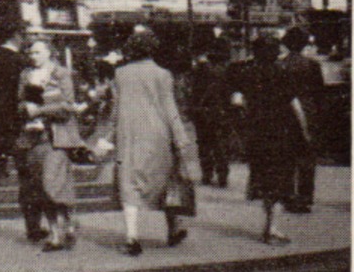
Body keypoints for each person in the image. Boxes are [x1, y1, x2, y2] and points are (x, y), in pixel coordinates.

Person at [95, 30, 200, 256]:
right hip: (158, 137)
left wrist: (106, 139)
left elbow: (115, 111)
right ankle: (173, 228)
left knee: (129, 186)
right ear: (153, 48)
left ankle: (132, 238)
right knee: (167, 183)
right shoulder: (163, 74)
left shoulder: (120, 74)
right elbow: (171, 110)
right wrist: (182, 140)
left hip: (129, 136)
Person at [235, 34, 312, 245]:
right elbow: (294, 104)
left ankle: (269, 223)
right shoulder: (282, 72)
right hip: (282, 131)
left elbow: (238, 101)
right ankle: (272, 227)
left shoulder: (247, 73)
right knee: (281, 178)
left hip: (258, 132)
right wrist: (305, 130)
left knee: (264, 176)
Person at [17, 38, 89, 252]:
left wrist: (40, 111)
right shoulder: (26, 75)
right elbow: (20, 101)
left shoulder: (60, 73)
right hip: (33, 137)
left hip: (56, 138)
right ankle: (56, 234)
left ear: (49, 53)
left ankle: (68, 220)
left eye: (38, 52)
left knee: (53, 184)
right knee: (41, 186)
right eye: (31, 52)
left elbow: (68, 106)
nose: (33, 56)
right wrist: (25, 109)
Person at [0, 26, 36, 240]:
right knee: (27, 177)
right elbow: (33, 96)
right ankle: (32, 226)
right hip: (20, 126)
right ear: (17, 35)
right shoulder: (23, 63)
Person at [279, 27, 323, 213]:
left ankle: (288, 196)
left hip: (285, 113)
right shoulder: (312, 65)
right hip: (308, 110)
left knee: (287, 156)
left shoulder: (280, 65)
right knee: (306, 155)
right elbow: (319, 93)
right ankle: (305, 197)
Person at [190, 37, 235, 188]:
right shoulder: (227, 71)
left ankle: (207, 174)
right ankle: (222, 175)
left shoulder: (201, 70)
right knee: (220, 145)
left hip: (203, 111)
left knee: (204, 144)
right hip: (221, 112)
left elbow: (194, 91)